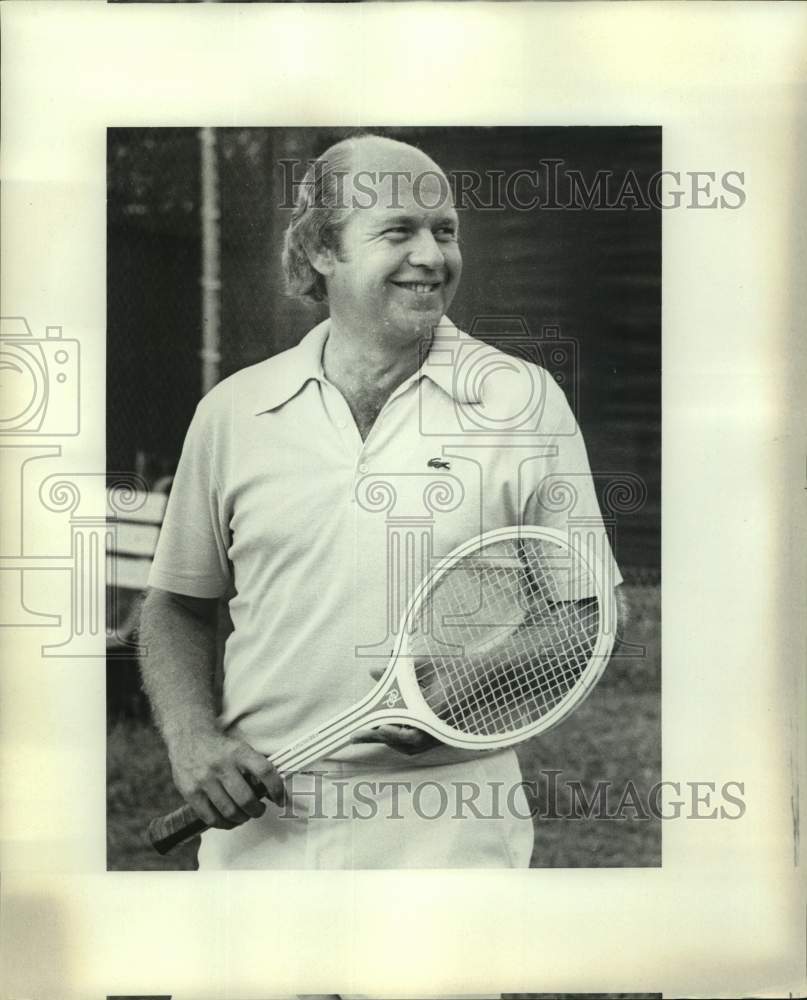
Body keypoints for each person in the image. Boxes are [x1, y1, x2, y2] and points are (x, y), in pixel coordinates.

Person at [140, 132, 623, 871]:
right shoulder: (234, 410)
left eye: (445, 231)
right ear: (320, 252)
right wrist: (193, 739)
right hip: (261, 831)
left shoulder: (522, 401)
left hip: (450, 825)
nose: (431, 256)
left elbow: (590, 619)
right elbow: (175, 604)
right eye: (398, 230)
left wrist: (463, 688)